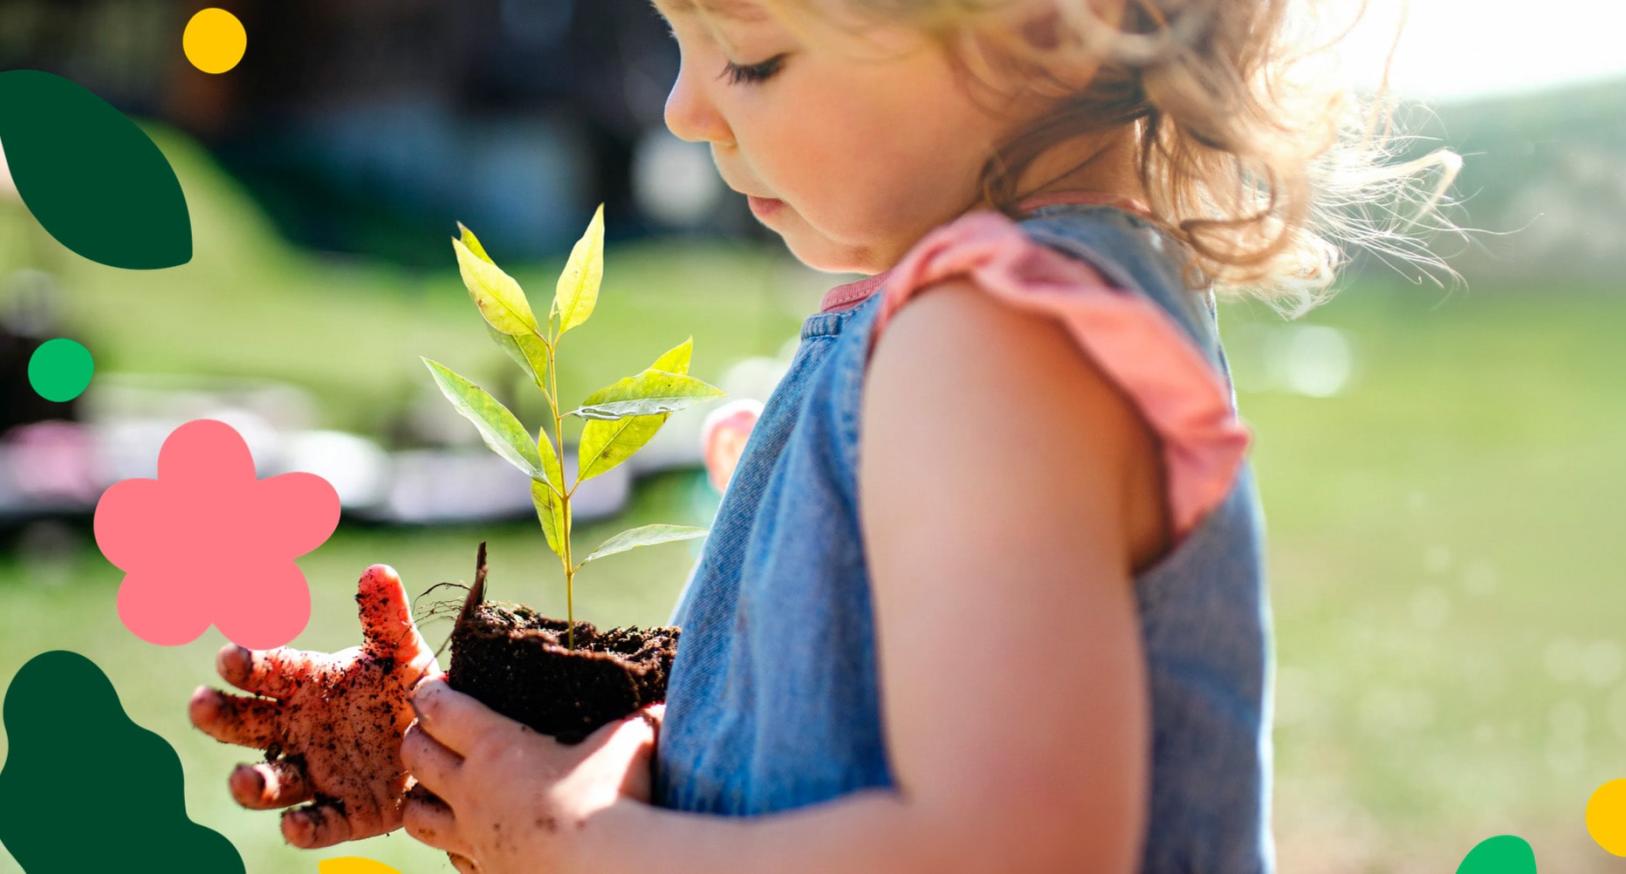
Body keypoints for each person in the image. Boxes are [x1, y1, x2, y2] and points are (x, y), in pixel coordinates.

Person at [187, 0, 1456, 869]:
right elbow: (812, 749)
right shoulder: (972, 329)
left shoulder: (991, 346)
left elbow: (1009, 850)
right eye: (677, 40)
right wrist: (465, 754)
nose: (685, 109)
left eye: (751, 55)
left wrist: (589, 847)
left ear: (1038, 28)